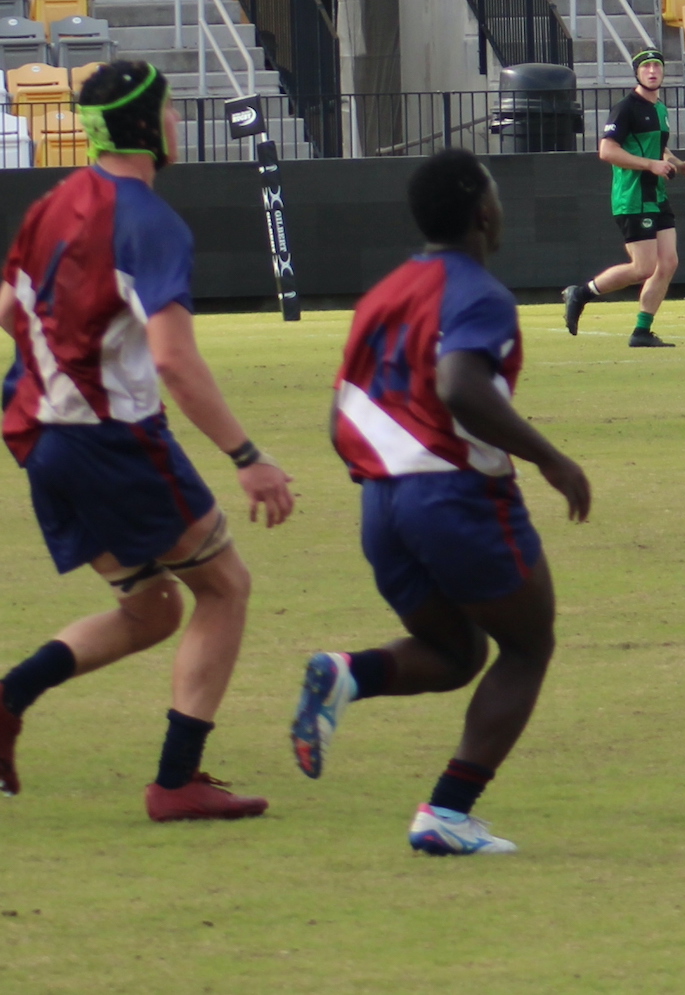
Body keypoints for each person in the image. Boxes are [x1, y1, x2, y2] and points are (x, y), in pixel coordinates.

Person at [0, 60, 297, 819]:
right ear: (144, 126)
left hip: (38, 433)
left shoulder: (53, 203)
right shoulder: (150, 221)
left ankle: (9, 698)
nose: (175, 122)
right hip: (112, 440)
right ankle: (176, 782)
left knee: (152, 608)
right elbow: (173, 360)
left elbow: (9, 307)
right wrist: (247, 456)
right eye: (167, 110)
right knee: (225, 586)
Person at [291, 148, 594, 857]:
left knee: (457, 651)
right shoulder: (482, 292)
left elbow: (342, 409)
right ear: (483, 212)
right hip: (456, 497)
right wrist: (549, 457)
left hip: (382, 503)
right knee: (527, 643)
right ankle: (448, 812)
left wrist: (380, 475)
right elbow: (460, 385)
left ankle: (348, 674)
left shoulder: (385, 291)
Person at [562, 50, 685, 349]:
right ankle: (582, 293)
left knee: (668, 262)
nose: (652, 71)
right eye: (646, 66)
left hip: (656, 195)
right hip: (633, 196)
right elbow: (607, 151)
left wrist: (678, 164)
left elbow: (659, 151)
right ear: (637, 73)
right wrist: (651, 165)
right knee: (643, 267)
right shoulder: (626, 108)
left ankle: (642, 331)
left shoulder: (659, 108)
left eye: (657, 66)